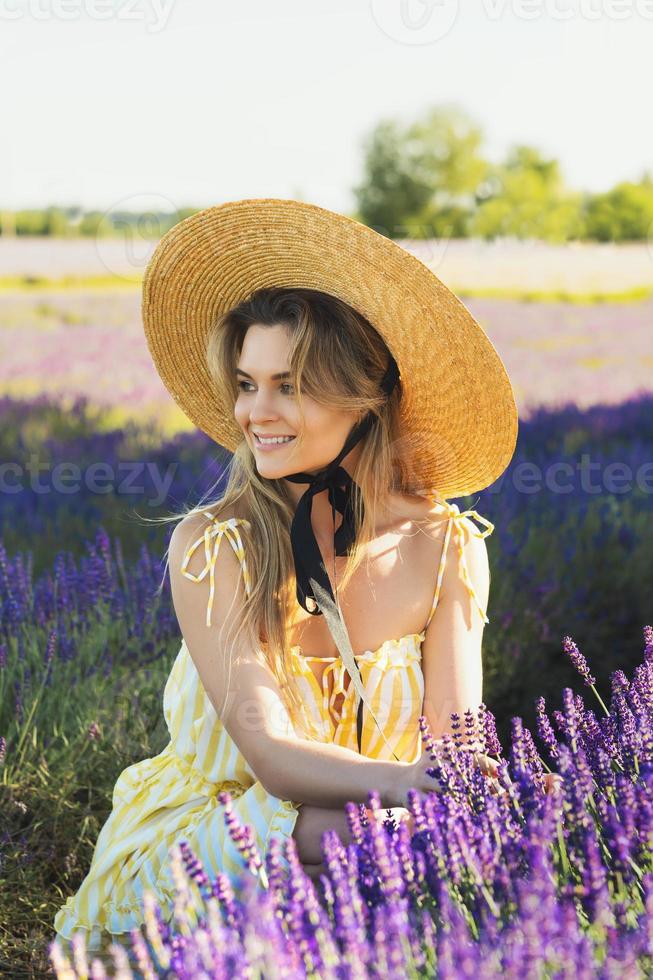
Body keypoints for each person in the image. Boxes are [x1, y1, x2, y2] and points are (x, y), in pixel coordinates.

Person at [53, 198, 556, 952]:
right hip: (209, 841)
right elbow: (273, 759)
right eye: (247, 383)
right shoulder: (214, 544)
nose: (256, 412)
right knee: (388, 843)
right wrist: (412, 791)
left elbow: (452, 742)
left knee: (446, 843)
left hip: (374, 825)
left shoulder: (447, 546)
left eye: (288, 384)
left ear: (368, 395)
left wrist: (487, 786)